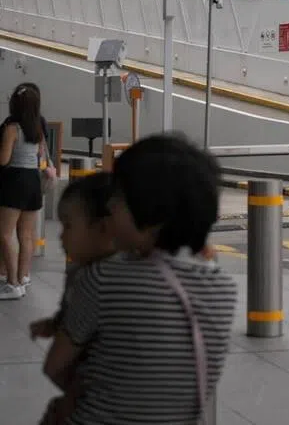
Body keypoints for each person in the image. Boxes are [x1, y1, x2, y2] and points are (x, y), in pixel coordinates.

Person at [42, 133, 237, 425]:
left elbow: (55, 366)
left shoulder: (104, 279)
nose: (108, 207)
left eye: (119, 198)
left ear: (153, 215)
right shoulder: (224, 289)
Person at [28, 173, 116, 425]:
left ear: (103, 228)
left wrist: (78, 393)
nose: (61, 236)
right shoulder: (79, 271)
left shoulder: (91, 278)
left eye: (68, 225)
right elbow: (73, 312)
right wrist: (56, 323)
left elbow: (54, 367)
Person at [0, 82, 51, 298]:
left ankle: (11, 284)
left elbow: (3, 160)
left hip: (15, 181)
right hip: (33, 181)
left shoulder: (12, 128)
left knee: (6, 233)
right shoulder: (38, 127)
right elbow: (41, 155)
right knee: (27, 234)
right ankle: (22, 279)